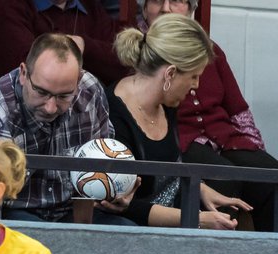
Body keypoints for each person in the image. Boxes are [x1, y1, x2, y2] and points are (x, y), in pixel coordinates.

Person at [139, 0, 278, 231]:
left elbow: (238, 109)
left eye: (176, 1)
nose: (165, 8)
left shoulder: (212, 49)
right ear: (144, 9)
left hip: (225, 138)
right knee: (223, 178)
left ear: (191, 8)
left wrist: (253, 149)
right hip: (182, 142)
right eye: (156, 1)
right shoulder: (143, 51)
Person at [0, 32, 124, 224]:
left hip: (72, 210)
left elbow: (95, 168)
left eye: (64, 96)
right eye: (42, 92)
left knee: (131, 238)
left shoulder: (90, 91)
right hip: (12, 213)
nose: (51, 107)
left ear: (78, 81)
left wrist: (116, 188)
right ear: (23, 74)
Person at [104, 16, 249, 229]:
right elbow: (123, 205)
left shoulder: (167, 103)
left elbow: (169, 167)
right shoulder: (115, 116)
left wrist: (199, 188)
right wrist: (197, 219)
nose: (196, 86)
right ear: (170, 73)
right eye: (193, 77)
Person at [0, 0, 126, 96]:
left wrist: (84, 46)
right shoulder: (4, 8)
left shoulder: (90, 7)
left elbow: (123, 64)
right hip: (8, 126)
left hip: (75, 124)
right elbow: (33, 78)